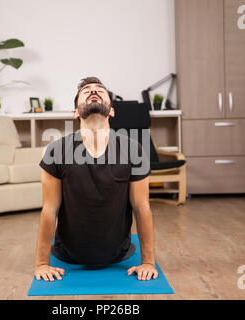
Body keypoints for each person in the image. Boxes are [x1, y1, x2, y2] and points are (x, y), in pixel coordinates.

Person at [34, 77, 158, 281]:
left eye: (100, 89)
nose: (94, 91)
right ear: (75, 113)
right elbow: (49, 209)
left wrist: (147, 262)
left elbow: (141, 208)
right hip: (67, 255)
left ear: (112, 110)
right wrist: (41, 264)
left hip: (119, 255)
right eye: (86, 90)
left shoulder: (133, 150)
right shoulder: (56, 151)